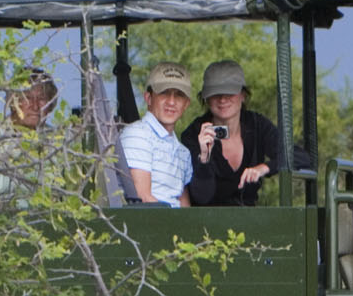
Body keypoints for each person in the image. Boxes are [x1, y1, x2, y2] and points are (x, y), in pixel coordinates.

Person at [180, 60, 281, 207]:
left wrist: (264, 168)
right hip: (206, 219)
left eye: (230, 92)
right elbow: (202, 197)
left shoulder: (257, 125)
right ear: (206, 99)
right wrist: (204, 159)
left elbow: (299, 157)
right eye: (215, 94)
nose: (222, 99)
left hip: (250, 217)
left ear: (243, 95)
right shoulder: (192, 135)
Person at [0, 68, 61, 206]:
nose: (35, 106)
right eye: (27, 98)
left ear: (50, 105)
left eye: (41, 99)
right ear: (13, 102)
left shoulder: (55, 140)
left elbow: (55, 197)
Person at [119, 61, 195, 206]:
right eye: (164, 92)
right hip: (149, 220)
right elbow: (142, 199)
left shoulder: (183, 152)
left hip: (172, 219)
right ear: (148, 98)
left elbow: (185, 209)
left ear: (186, 104)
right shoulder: (137, 134)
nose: (171, 102)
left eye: (179, 95)